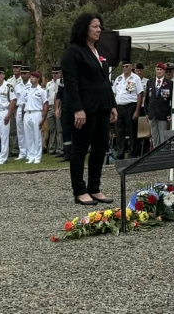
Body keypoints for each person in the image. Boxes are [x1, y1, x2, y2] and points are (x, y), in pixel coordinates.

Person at [61, 11, 117, 206]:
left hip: (102, 108)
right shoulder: (73, 52)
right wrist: (78, 109)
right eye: (95, 26)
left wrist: (112, 105)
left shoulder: (99, 52)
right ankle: (79, 190)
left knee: (100, 148)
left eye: (100, 26)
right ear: (84, 28)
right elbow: (71, 83)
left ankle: (95, 187)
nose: (99, 30)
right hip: (84, 110)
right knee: (80, 149)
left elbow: (105, 81)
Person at [112, 61, 143, 159]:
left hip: (130, 106)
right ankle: (120, 153)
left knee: (131, 130)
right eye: (123, 66)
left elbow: (140, 94)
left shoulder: (136, 78)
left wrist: (137, 111)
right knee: (119, 131)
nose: (125, 68)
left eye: (127, 66)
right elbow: (114, 93)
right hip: (119, 106)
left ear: (131, 67)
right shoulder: (119, 78)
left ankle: (133, 153)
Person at [22, 70, 49, 165]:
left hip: (37, 113)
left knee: (36, 136)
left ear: (38, 79)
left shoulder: (41, 90)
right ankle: (31, 155)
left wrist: (43, 118)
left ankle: (37, 156)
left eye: (33, 77)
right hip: (27, 113)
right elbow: (23, 103)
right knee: (28, 136)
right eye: (31, 77)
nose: (31, 78)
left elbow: (45, 104)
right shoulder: (26, 90)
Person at [146, 62, 172, 149]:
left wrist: (170, 113)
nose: (159, 71)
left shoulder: (169, 83)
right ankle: (155, 154)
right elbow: (147, 99)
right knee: (154, 137)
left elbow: (171, 99)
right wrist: (146, 113)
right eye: (157, 69)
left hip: (163, 113)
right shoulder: (150, 82)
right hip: (152, 113)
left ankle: (162, 155)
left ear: (164, 71)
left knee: (163, 136)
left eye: (161, 70)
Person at [44, 67, 63, 156]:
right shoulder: (49, 84)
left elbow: (58, 97)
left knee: (59, 129)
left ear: (60, 73)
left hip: (58, 107)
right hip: (50, 107)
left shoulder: (61, 82)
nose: (55, 75)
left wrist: (57, 108)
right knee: (52, 129)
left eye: (57, 73)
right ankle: (51, 148)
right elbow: (46, 97)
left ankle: (60, 149)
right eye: (53, 73)